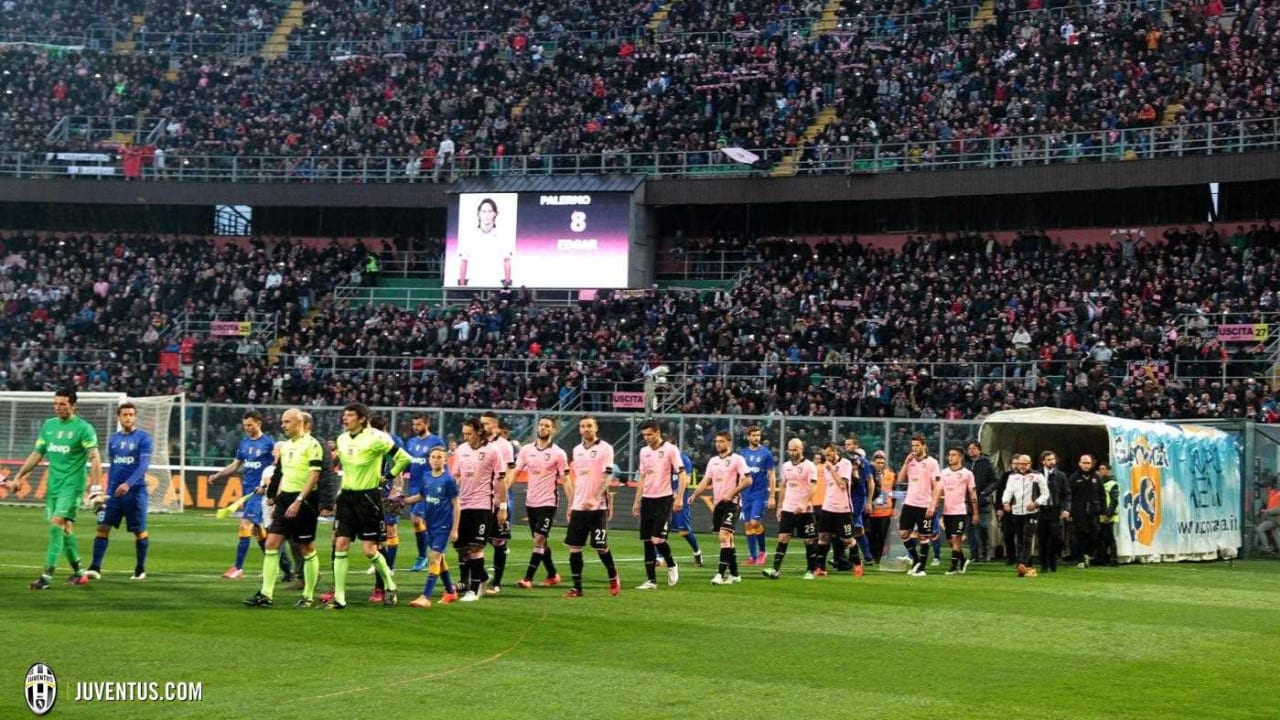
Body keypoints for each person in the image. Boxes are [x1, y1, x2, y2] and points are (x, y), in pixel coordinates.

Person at [6, 388, 103, 589]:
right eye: (56, 403)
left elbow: (94, 458)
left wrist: (96, 487)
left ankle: (46, 577)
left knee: (56, 525)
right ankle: (79, 573)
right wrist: (18, 476)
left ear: (73, 405)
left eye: (62, 404)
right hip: (54, 486)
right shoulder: (48, 426)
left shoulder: (84, 428)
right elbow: (37, 454)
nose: (58, 407)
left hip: (73, 486)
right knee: (65, 529)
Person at [325, 403, 412, 610]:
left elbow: (404, 458)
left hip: (368, 498)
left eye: (350, 415)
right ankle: (339, 597)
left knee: (369, 549)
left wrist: (388, 477)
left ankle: (390, 585)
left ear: (362, 418)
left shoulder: (377, 438)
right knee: (340, 544)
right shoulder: (342, 439)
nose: (345, 419)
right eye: (344, 415)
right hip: (347, 497)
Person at [243, 408, 323, 608]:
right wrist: (271, 496)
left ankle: (308, 595)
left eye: (287, 422)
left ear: (299, 423)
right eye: (282, 421)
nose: (283, 425)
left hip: (304, 501)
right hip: (284, 499)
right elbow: (280, 473)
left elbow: (314, 476)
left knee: (306, 547)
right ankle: (266, 594)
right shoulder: (286, 447)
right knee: (271, 543)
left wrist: (298, 500)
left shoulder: (313, 445)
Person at [211, 410, 289, 581]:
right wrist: (218, 475)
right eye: (245, 425)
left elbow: (279, 466)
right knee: (258, 532)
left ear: (259, 423)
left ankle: (238, 568)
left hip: (260, 493)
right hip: (247, 491)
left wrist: (270, 486)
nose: (247, 428)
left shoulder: (269, 444)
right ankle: (285, 567)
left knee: (244, 525)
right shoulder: (244, 443)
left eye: (250, 425)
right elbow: (236, 464)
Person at [87, 402, 153, 581]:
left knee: (139, 531)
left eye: (131, 414)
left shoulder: (143, 438)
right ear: (119, 417)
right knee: (102, 527)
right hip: (113, 494)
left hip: (135, 493)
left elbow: (143, 465)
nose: (128, 418)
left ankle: (140, 569)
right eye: (125, 415)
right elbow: (115, 466)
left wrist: (128, 484)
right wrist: (104, 492)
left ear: (135, 417)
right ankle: (95, 567)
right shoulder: (113, 440)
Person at [562, 416, 622, 598]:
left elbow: (607, 477)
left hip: (598, 507)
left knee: (600, 546)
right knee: (574, 547)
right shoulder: (576, 450)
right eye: (582, 426)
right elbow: (578, 479)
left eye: (589, 426)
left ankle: (613, 576)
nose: (586, 429)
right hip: (579, 506)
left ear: (596, 428)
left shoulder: (605, 449)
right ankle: (577, 588)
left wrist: (595, 498)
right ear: (579, 430)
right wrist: (571, 504)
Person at [451, 417, 504, 602]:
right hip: (463, 505)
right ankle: (482, 576)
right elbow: (456, 476)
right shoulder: (461, 450)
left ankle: (473, 590)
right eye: (464, 434)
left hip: (482, 505)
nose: (466, 438)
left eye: (469, 434)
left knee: (476, 547)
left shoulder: (492, 451)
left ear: (479, 432)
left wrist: (502, 506)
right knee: (461, 549)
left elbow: (501, 479)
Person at [689, 431, 752, 586]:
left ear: (729, 443)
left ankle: (719, 574)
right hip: (719, 505)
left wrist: (732, 492)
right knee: (728, 539)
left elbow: (748, 480)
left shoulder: (737, 460)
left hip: (733, 503)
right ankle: (735, 574)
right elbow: (705, 480)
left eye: (722, 441)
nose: (718, 444)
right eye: (717, 441)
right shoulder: (713, 461)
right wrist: (695, 494)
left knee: (723, 536)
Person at [632, 419, 689, 589]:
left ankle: (672, 564)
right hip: (647, 500)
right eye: (644, 435)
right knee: (647, 541)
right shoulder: (643, 452)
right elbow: (642, 476)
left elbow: (682, 473)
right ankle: (651, 581)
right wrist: (637, 500)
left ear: (657, 432)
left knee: (657, 538)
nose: (647, 438)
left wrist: (679, 497)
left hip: (664, 499)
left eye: (650, 434)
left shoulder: (670, 449)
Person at [514, 416, 568, 589]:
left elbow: (566, 479)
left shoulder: (558, 453)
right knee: (541, 541)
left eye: (547, 426)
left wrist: (573, 503)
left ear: (553, 430)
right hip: (531, 502)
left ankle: (527, 578)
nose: (543, 427)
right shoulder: (526, 450)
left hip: (548, 502)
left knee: (538, 538)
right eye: (541, 425)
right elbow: (515, 471)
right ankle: (552, 574)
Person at [407, 448, 461, 608]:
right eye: (433, 457)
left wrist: (455, 529)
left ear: (445, 460)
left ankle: (426, 596)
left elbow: (456, 505)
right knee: (440, 558)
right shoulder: (426, 477)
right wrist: (403, 501)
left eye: (439, 457)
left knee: (434, 557)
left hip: (444, 525)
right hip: (430, 523)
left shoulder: (448, 480)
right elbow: (420, 497)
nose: (436, 460)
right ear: (429, 459)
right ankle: (451, 591)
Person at [764, 438, 817, 579]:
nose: (793, 452)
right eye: (791, 449)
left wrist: (804, 503)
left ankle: (811, 570)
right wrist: (780, 506)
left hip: (805, 510)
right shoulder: (785, 466)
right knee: (782, 537)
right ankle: (775, 570)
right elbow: (782, 486)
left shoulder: (810, 466)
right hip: (788, 508)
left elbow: (813, 487)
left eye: (796, 449)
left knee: (809, 540)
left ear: (801, 449)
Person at [367, 415, 405, 600]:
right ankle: (381, 564)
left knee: (389, 529)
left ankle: (388, 567)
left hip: (387, 491)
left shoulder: (391, 441)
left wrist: (397, 490)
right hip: (369, 491)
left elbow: (398, 465)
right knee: (375, 534)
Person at [482, 411, 517, 595]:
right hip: (480, 500)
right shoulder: (478, 443)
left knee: (498, 540)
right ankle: (479, 577)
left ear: (495, 426)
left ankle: (497, 582)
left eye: (486, 424)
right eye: (482, 423)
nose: (483, 427)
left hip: (498, 500)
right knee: (474, 540)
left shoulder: (505, 446)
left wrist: (502, 493)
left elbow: (511, 470)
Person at [404, 414, 446, 572]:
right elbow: (408, 463)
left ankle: (429, 556)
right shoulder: (411, 442)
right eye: (414, 424)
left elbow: (442, 463)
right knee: (419, 522)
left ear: (427, 424)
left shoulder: (436, 441)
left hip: (429, 485)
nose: (415, 427)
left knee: (420, 520)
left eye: (418, 424)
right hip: (414, 485)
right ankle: (428, 556)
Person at [817, 442, 865, 577]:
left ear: (835, 451)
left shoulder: (845, 464)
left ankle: (857, 565)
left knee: (848, 539)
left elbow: (842, 485)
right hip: (828, 507)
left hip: (842, 508)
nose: (827, 457)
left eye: (829, 454)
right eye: (825, 455)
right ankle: (821, 568)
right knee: (823, 536)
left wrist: (831, 469)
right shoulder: (827, 466)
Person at [898, 434, 941, 577]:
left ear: (924, 446)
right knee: (903, 533)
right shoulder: (910, 462)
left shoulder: (932, 463)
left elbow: (937, 485)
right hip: (909, 503)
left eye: (917, 445)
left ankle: (921, 568)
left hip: (924, 505)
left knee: (924, 536)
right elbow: (900, 479)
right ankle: (916, 560)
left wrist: (932, 505)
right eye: (913, 446)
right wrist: (905, 462)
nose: (914, 448)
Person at [1002, 454, 1051, 577]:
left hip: (1032, 512)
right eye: (1020, 464)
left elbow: (1045, 494)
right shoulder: (1013, 477)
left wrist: (1036, 503)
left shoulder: (1037, 476)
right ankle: (1028, 567)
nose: (1022, 466)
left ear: (1030, 464)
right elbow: (1008, 491)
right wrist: (1006, 502)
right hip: (1017, 511)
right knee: (1019, 538)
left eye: (1025, 464)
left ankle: (1022, 563)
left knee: (1027, 538)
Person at [738, 426, 777, 566]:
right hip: (746, 493)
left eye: (758, 435)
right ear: (748, 437)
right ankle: (753, 557)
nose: (756, 438)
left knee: (755, 523)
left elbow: (772, 475)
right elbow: (740, 474)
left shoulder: (766, 453)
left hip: (759, 494)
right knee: (748, 525)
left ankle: (762, 551)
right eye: (753, 435)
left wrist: (772, 496)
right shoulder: (742, 453)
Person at [935, 446, 978, 575]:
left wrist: (975, 512)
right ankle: (963, 560)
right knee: (950, 541)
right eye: (949, 455)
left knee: (956, 538)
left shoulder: (967, 474)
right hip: (947, 511)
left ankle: (953, 567)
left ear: (960, 457)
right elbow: (939, 490)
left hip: (960, 511)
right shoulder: (943, 473)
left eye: (953, 455)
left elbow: (973, 493)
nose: (950, 457)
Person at [456, 197, 516, 287]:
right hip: (474, 284)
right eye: (483, 211)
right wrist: (461, 284)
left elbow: (506, 261)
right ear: (479, 214)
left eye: (489, 211)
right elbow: (463, 261)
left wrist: (507, 285)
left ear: (495, 213)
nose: (486, 215)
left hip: (496, 284)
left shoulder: (503, 235)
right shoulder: (469, 235)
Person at [666, 448, 703, 567]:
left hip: (680, 499)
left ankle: (697, 552)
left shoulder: (684, 459)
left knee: (684, 531)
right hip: (664, 499)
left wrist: (677, 493)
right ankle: (659, 557)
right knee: (661, 529)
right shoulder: (662, 459)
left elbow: (687, 480)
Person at [1067, 453, 1104, 568]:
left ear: (1092, 464)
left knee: (1094, 534)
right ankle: (1080, 558)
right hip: (1079, 512)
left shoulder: (1096, 478)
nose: (1086, 465)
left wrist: (1104, 511)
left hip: (1093, 511)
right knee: (1079, 535)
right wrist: (1068, 511)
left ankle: (1089, 554)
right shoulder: (1074, 478)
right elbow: (1069, 495)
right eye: (1084, 463)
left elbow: (1102, 495)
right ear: (1079, 463)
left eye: (1088, 463)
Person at [964, 440, 997, 562]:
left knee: (982, 526)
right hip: (967, 501)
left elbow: (995, 480)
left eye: (973, 448)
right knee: (970, 528)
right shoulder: (965, 463)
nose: (971, 451)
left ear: (979, 450)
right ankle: (974, 554)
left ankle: (985, 551)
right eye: (969, 449)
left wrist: (985, 492)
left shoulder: (987, 462)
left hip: (982, 500)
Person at [865, 450, 896, 565]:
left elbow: (894, 490)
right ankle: (874, 556)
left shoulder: (891, 475)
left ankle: (883, 556)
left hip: (885, 511)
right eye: (878, 462)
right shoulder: (869, 475)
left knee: (883, 536)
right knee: (872, 536)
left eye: (882, 462)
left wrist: (895, 506)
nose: (880, 465)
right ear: (873, 462)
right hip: (872, 511)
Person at [1095, 462, 1120, 566]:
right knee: (1102, 537)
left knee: (1109, 537)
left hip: (1109, 514)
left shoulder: (1112, 484)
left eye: (1103, 469)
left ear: (1108, 471)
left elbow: (1114, 501)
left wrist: (1108, 514)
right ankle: (1102, 557)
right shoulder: (1100, 483)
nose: (1101, 471)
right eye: (1100, 469)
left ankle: (1113, 559)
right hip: (1101, 514)